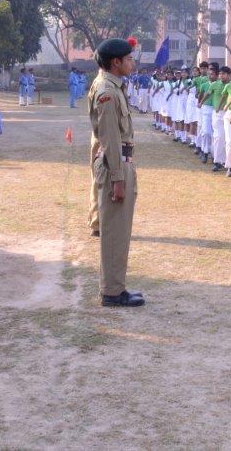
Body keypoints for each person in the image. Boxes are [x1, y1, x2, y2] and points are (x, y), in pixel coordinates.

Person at [88, 37, 144, 307]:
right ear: (116, 62)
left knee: (120, 230)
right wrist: (118, 178)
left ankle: (116, 287)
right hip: (115, 165)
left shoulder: (112, 86)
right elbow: (110, 137)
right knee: (114, 231)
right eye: (129, 58)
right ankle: (111, 291)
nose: (132, 62)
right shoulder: (107, 91)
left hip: (120, 161)